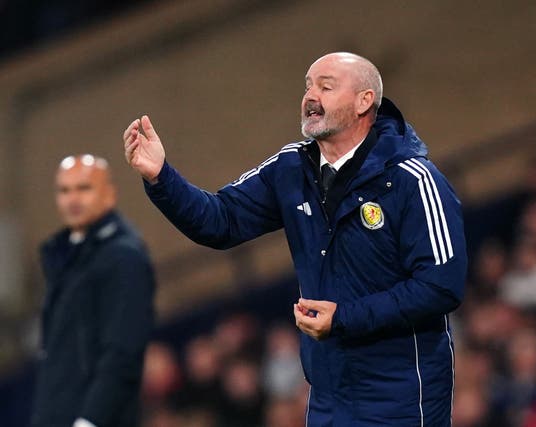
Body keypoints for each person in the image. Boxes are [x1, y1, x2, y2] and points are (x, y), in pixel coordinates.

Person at [123, 52, 467, 426]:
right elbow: (219, 221)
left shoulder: (412, 179)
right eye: (307, 85)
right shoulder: (291, 169)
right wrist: (161, 177)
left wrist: (345, 318)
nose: (310, 95)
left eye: (326, 86)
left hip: (401, 396)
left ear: (364, 101)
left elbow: (440, 286)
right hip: (327, 398)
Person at [31, 155, 155, 427]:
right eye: (64, 190)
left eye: (84, 188)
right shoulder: (67, 257)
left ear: (109, 194)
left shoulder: (123, 257)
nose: (72, 199)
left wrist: (90, 420)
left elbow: (123, 351)